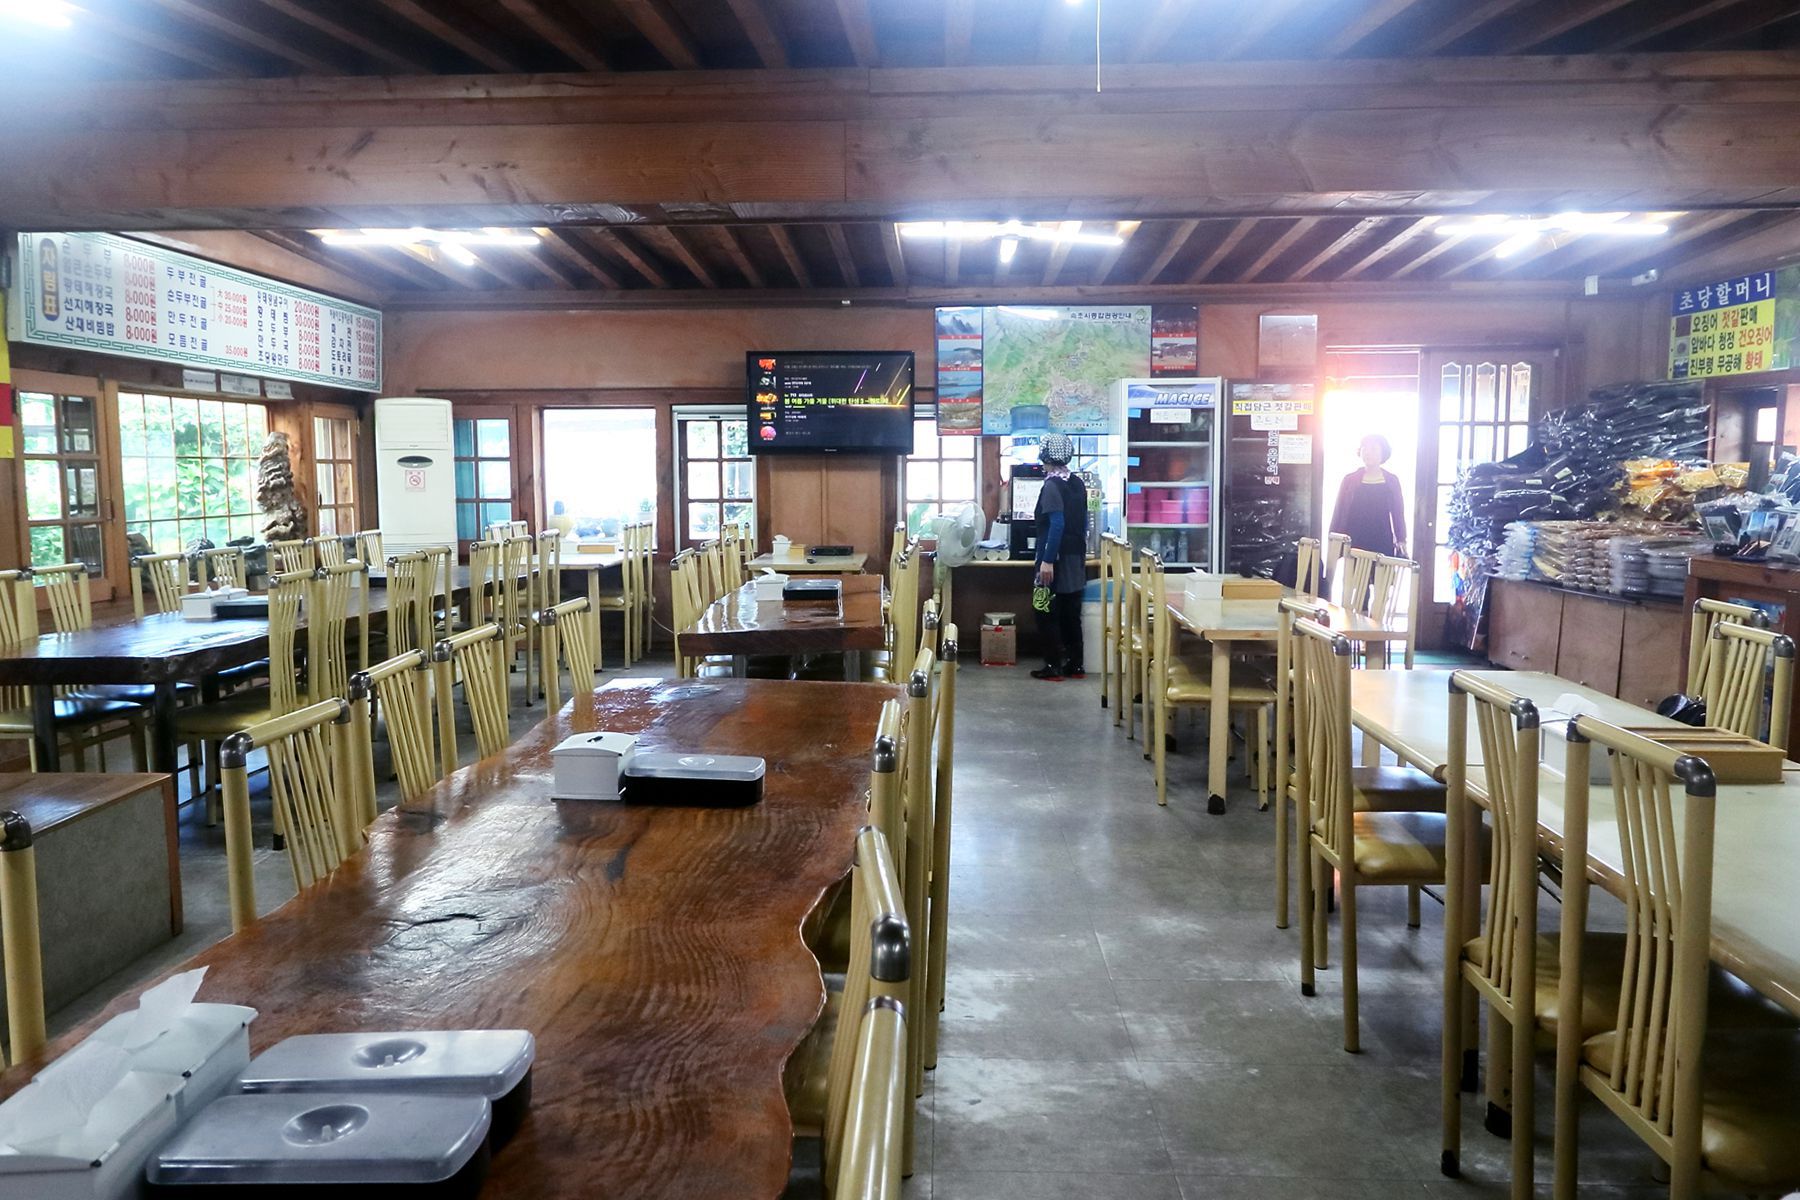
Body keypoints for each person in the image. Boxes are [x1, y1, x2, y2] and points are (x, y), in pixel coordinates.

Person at [1030, 433, 1088, 681]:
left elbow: (1056, 524)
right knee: (1070, 613)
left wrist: (1047, 560)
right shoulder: (1077, 483)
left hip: (1054, 558)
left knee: (1044, 609)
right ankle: (1076, 665)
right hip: (1076, 557)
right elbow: (1083, 522)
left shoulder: (1052, 485)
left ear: (1045, 456)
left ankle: (1053, 666)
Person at [1330, 433, 1407, 556]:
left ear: (1383, 453)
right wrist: (1334, 539)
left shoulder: (1392, 480)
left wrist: (1401, 539)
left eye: (1373, 449)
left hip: (1382, 539)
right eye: (1364, 448)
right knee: (1353, 568)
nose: (1368, 452)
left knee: (1381, 567)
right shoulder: (1349, 480)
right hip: (1354, 540)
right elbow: (1339, 512)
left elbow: (1398, 513)